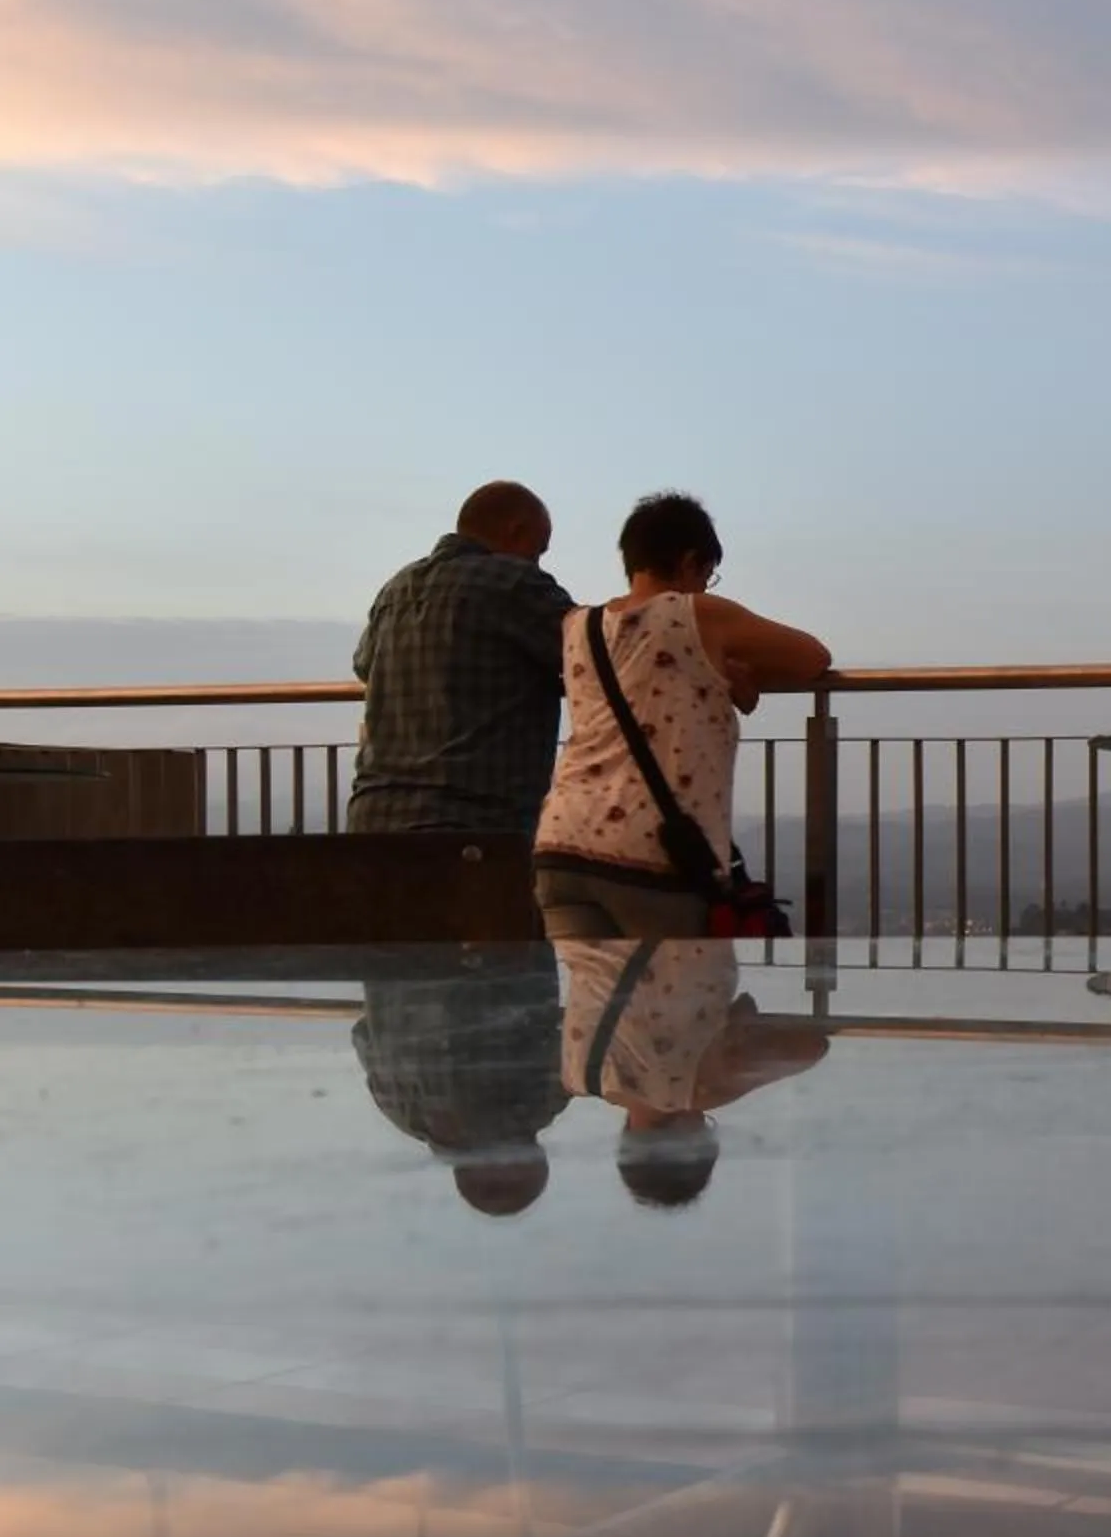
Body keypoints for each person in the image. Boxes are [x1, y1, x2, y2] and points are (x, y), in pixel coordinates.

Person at [532, 492, 830, 940]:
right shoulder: (698, 612)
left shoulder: (579, 625)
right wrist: (735, 669)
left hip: (563, 845)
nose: (706, 586)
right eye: (708, 575)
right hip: (652, 856)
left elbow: (650, 681)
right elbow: (811, 657)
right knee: (675, 1004)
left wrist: (720, 676)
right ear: (691, 561)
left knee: (595, 1006)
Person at [347, 481, 575, 834]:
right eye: (538, 550)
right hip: (474, 824)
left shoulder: (396, 587)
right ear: (515, 531)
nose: (537, 561)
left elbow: (364, 665)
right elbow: (594, 651)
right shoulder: (513, 582)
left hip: (373, 817)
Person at [556, 936, 830, 1205]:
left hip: (679, 912)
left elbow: (810, 1047)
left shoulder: (700, 1089)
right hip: (582, 917)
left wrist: (736, 1029)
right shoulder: (577, 1078)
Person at [351, 947, 572, 1216]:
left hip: (493, 939)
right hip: (390, 946)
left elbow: (568, 1044)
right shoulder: (400, 1113)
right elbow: (362, 1034)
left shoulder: (535, 1106)